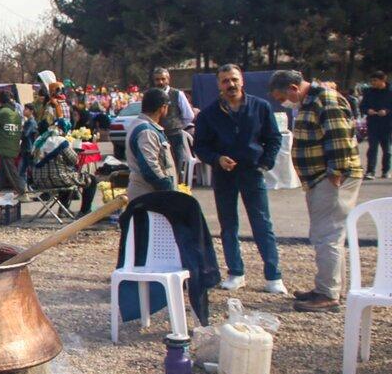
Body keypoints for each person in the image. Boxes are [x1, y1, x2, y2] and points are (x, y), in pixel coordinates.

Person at [269, 70, 365, 312]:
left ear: (293, 88)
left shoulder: (325, 99)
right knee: (328, 234)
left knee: (327, 235)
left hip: (331, 178)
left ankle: (328, 293)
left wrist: (336, 172)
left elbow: (339, 137)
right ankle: (330, 287)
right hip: (320, 178)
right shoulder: (311, 100)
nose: (284, 103)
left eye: (283, 98)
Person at [192, 63, 285, 294]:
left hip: (252, 172)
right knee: (228, 225)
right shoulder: (208, 114)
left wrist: (265, 163)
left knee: (262, 223)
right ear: (218, 85)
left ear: (242, 80)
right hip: (224, 174)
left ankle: (274, 276)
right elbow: (200, 146)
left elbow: (274, 138)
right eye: (225, 81)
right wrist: (217, 159)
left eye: (234, 79)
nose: (231, 84)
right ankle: (235, 272)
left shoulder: (260, 107)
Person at [29, 125, 100, 214]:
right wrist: (74, 151)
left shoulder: (38, 142)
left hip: (38, 181)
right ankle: (85, 211)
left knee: (68, 177)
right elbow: (74, 160)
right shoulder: (61, 142)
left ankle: (63, 210)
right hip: (58, 179)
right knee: (91, 179)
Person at [125, 88, 177, 199]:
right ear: (162, 108)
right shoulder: (146, 131)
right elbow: (150, 167)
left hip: (150, 194)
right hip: (149, 195)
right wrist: (168, 189)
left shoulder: (142, 125)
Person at [151, 67, 195, 178]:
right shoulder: (150, 95)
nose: (160, 82)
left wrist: (177, 125)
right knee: (158, 166)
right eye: (157, 79)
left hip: (175, 136)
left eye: (163, 79)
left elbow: (189, 115)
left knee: (176, 166)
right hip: (155, 135)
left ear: (168, 79)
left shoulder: (177, 94)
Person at [360, 70, 391, 179]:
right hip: (373, 124)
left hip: (387, 125)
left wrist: (386, 111)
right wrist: (367, 110)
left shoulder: (390, 91)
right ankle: (370, 171)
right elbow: (362, 106)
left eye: (375, 80)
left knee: (387, 150)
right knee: (372, 148)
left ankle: (385, 171)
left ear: (383, 80)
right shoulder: (369, 92)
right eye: (372, 81)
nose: (373, 83)